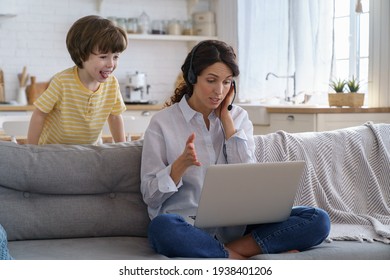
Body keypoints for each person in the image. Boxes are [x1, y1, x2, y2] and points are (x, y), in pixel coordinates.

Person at [140, 40, 331, 259]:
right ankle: (240, 255)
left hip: (236, 226)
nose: (219, 91)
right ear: (192, 78)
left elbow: (248, 177)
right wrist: (179, 166)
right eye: (211, 81)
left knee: (317, 219)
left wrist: (226, 120)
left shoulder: (238, 117)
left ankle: (230, 253)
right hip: (187, 226)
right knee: (162, 229)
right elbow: (150, 196)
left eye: (227, 82)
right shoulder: (162, 123)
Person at [27, 15, 128, 145]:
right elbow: (39, 114)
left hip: (88, 152)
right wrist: (32, 150)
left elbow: (114, 117)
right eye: (103, 57)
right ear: (81, 55)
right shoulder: (62, 82)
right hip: (53, 152)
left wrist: (122, 147)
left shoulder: (112, 84)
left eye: (116, 57)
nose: (111, 64)